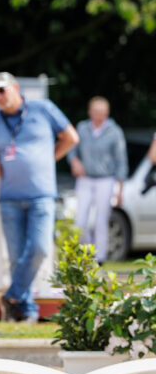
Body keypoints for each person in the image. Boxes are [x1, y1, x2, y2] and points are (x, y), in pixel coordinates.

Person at [0, 72, 79, 324]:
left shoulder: (43, 108)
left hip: (41, 194)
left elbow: (71, 137)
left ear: (15, 88)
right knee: (16, 258)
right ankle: (27, 310)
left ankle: (11, 296)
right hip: (9, 197)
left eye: (2, 90)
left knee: (39, 249)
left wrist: (48, 159)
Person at [67, 96, 128, 263]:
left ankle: (99, 258)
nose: (99, 115)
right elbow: (72, 148)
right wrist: (74, 161)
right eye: (95, 112)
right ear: (90, 112)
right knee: (80, 219)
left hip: (105, 179)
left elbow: (121, 161)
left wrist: (120, 189)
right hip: (85, 178)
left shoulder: (114, 132)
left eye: (102, 112)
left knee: (101, 219)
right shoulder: (82, 128)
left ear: (107, 113)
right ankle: (86, 252)